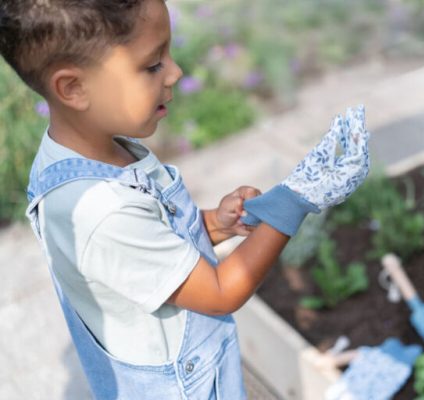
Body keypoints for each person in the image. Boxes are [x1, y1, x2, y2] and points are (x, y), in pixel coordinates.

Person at [0, 0, 370, 398]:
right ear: (73, 87)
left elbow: (155, 242)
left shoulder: (95, 150)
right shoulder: (100, 210)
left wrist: (215, 223)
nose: (175, 72)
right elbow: (219, 292)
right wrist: (296, 199)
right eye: (152, 64)